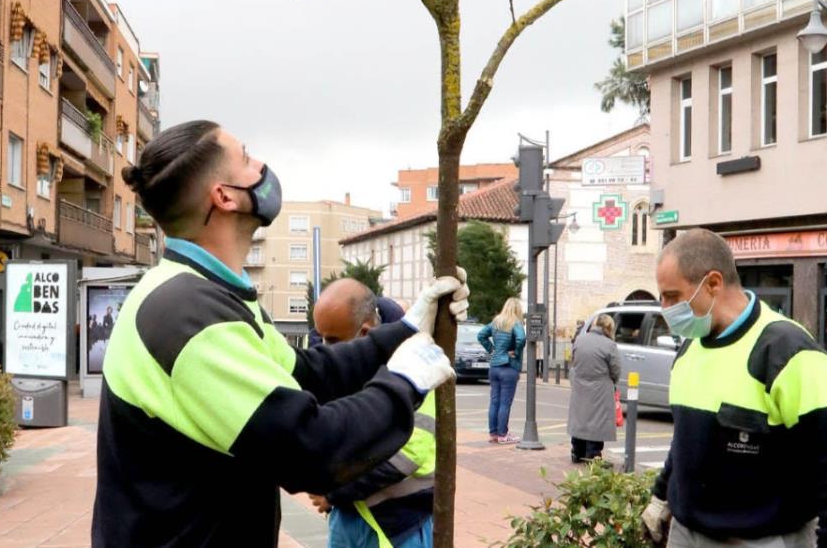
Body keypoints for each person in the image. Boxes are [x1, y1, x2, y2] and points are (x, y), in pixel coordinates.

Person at [91, 120, 470, 547]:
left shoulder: (205, 292)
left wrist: (404, 331)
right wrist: (403, 382)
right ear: (224, 196)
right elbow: (311, 449)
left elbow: (304, 371)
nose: (262, 166)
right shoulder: (187, 315)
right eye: (247, 158)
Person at [640, 229, 827, 547]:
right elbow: (686, 442)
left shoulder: (787, 350)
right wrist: (661, 496)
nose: (664, 307)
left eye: (673, 296)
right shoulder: (690, 350)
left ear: (713, 283)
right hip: (687, 535)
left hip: (764, 539)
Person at [310, 280, 435, 548]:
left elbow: (409, 455)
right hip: (351, 513)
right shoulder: (345, 371)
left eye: (332, 339)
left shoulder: (413, 368)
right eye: (319, 336)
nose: (324, 348)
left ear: (365, 332)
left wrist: (335, 492)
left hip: (400, 521)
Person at [566, 313, 621, 463]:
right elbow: (616, 370)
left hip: (580, 385)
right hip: (600, 388)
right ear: (609, 328)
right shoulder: (609, 345)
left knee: (580, 419)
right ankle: (593, 454)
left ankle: (576, 451)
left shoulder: (580, 340)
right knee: (597, 421)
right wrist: (612, 382)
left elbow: (573, 361)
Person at [477, 298, 527, 444]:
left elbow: (481, 335)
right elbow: (521, 339)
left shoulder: (496, 322)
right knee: (505, 403)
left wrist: (492, 349)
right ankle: (503, 434)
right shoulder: (516, 323)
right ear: (517, 310)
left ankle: (493, 433)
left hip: (494, 367)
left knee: (494, 402)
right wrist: (516, 353)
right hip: (508, 367)